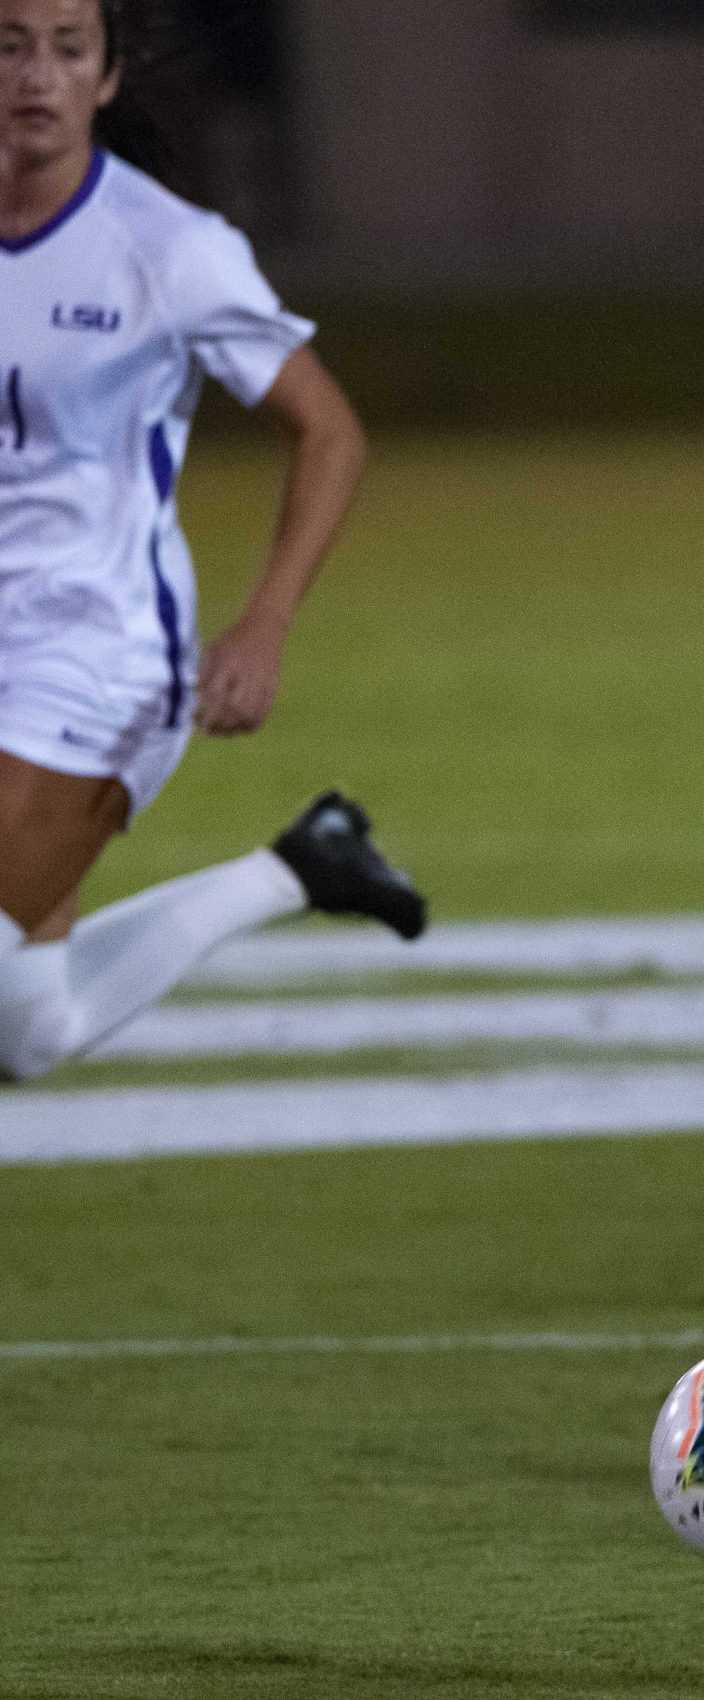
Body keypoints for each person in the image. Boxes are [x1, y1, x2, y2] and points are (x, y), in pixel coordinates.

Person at [0, 0, 422, 1087]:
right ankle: (302, 865)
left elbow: (328, 429)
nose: (36, 75)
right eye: (8, 45)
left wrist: (266, 621)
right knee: (28, 1030)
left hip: (95, 654)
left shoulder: (167, 250)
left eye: (67, 48)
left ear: (105, 78)